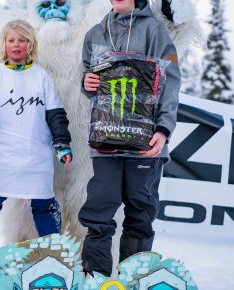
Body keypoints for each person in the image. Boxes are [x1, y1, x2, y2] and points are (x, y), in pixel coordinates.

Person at [78, 0, 181, 277]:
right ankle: (96, 279)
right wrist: (87, 83)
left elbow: (170, 82)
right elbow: (88, 79)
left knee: (140, 215)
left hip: (145, 145)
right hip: (106, 141)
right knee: (98, 214)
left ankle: (133, 279)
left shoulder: (154, 31)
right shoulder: (95, 33)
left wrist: (164, 130)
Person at [0, 19, 72, 262]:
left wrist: (62, 144)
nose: (16, 45)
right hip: (4, 156)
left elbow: (55, 115)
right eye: (11, 40)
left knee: (44, 205)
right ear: (4, 44)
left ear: (30, 44)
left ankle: (54, 253)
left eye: (21, 40)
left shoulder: (42, 76)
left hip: (37, 156)